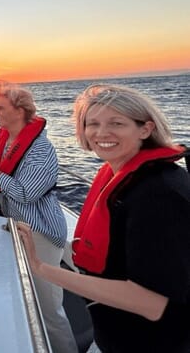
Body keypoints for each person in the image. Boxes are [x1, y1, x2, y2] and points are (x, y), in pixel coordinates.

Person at [17, 84, 190, 353]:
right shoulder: (123, 177)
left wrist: (41, 267)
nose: (101, 133)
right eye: (92, 123)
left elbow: (152, 303)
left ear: (145, 129)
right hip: (112, 335)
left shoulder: (160, 194)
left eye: (116, 123)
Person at [0, 84, 76, 353]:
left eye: (1, 109)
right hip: (11, 226)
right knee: (16, 292)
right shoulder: (7, 140)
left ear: (21, 111)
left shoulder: (41, 149)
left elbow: (24, 194)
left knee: (48, 307)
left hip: (39, 233)